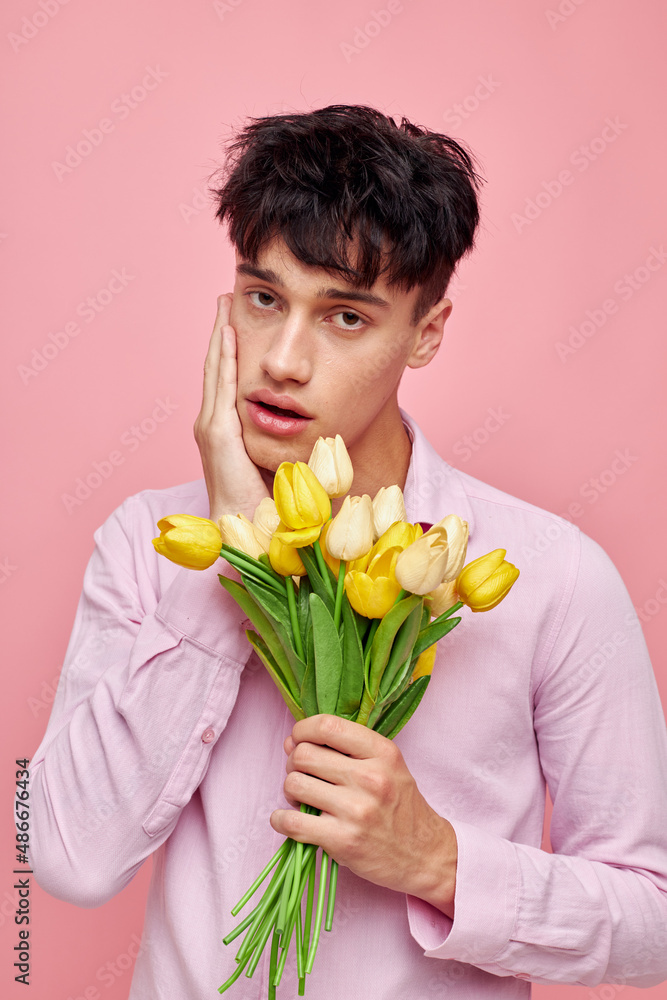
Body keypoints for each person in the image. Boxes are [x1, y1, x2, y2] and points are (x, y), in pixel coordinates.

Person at [29, 105, 667, 998]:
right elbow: (62, 855)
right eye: (263, 299)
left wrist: (441, 861)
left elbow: (655, 919)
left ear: (428, 332)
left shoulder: (552, 576)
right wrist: (234, 551)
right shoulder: (148, 546)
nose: (282, 360)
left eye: (345, 318)